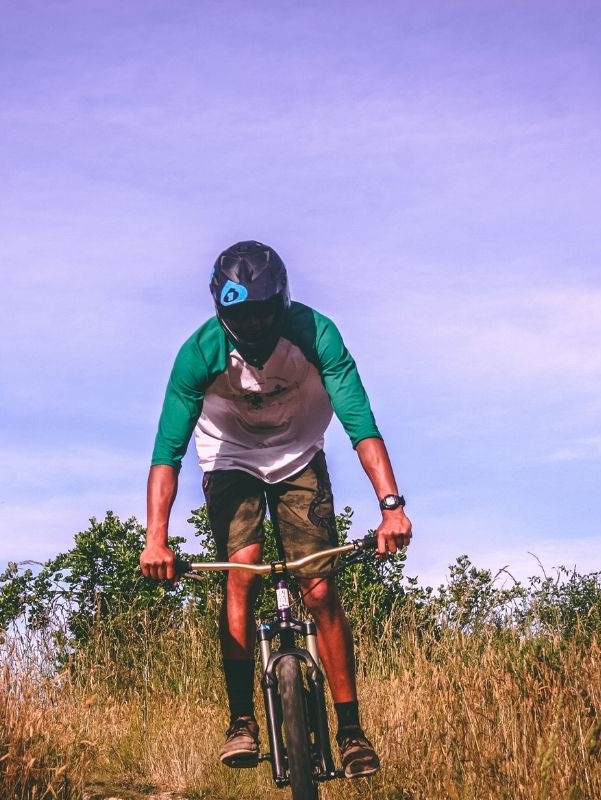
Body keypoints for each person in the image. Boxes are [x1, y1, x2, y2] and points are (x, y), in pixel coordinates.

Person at [139, 240, 412, 779]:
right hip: (230, 456)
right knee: (241, 573)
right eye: (241, 314)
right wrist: (156, 539)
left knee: (319, 586)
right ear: (224, 312)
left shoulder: (316, 335)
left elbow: (360, 421)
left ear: (282, 302)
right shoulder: (199, 353)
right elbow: (166, 453)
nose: (255, 322)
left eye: (263, 310)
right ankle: (241, 721)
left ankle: (351, 731)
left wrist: (391, 507)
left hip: (298, 454)